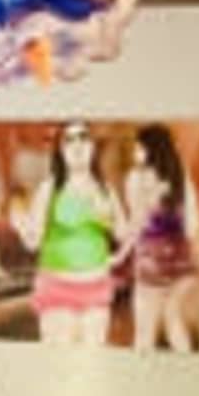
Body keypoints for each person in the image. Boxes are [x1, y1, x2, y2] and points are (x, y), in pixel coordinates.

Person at [28, 120, 124, 347]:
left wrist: (104, 215)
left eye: (83, 137)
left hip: (97, 289)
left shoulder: (105, 188)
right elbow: (33, 242)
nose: (78, 145)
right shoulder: (49, 188)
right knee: (59, 367)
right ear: (61, 151)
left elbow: (121, 232)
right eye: (69, 140)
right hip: (57, 289)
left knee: (92, 367)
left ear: (92, 147)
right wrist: (25, 228)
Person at [119, 121, 199, 352]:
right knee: (172, 318)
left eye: (138, 147)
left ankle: (139, 382)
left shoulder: (136, 178)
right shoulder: (178, 173)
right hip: (181, 259)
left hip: (152, 259)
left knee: (143, 331)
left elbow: (135, 224)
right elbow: (193, 222)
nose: (135, 152)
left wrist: (118, 256)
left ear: (149, 148)